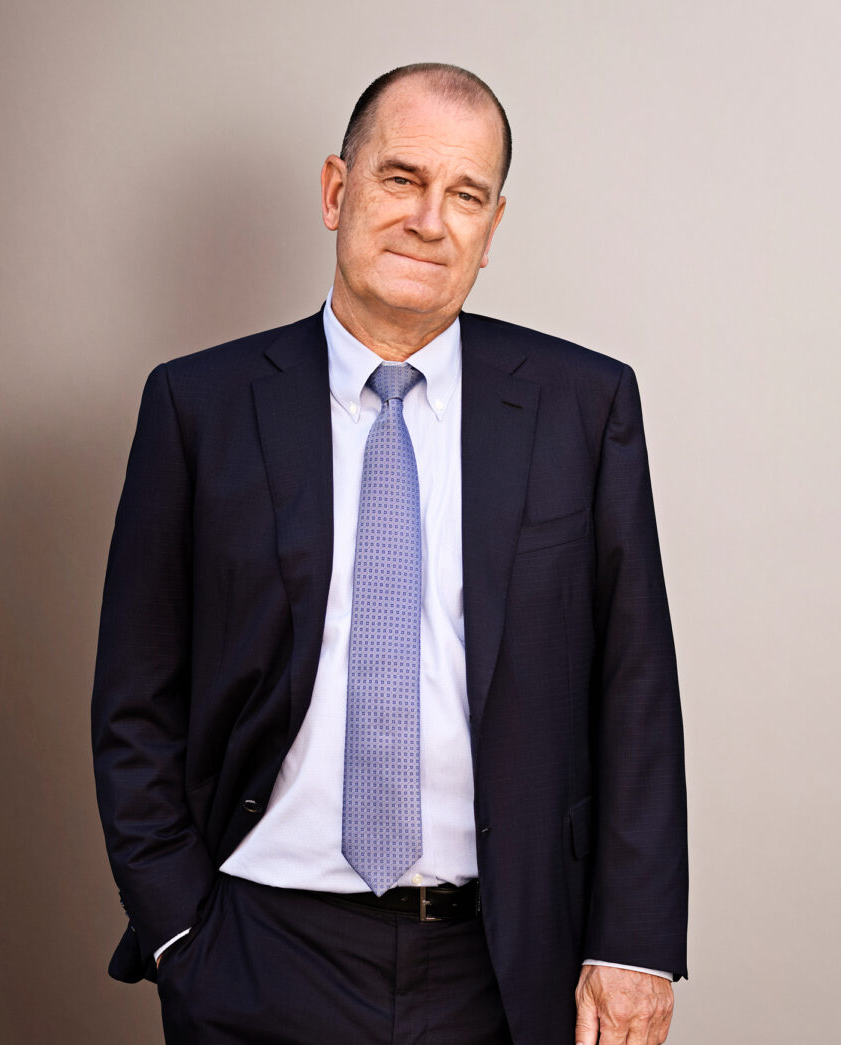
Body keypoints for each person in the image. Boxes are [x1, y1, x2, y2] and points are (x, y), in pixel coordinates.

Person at [91, 62, 688, 1045]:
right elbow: (134, 696)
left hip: (504, 964)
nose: (428, 219)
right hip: (254, 951)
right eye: (401, 179)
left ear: (491, 227)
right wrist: (179, 932)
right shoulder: (199, 407)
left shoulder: (580, 407)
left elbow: (635, 689)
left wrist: (633, 941)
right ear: (337, 190)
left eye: (465, 195)